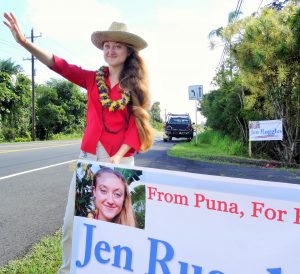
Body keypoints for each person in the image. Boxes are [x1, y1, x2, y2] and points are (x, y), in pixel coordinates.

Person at [3, 12, 153, 274]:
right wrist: (25, 43)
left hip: (122, 158)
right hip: (88, 159)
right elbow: (60, 65)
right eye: (107, 45)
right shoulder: (93, 79)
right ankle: (67, 270)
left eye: (117, 45)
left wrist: (117, 157)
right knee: (72, 224)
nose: (110, 49)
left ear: (129, 51)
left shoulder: (136, 86)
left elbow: (136, 127)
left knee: (117, 227)